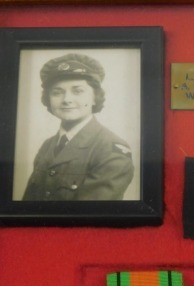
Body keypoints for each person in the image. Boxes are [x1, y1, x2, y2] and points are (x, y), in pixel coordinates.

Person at [22, 53, 134, 201]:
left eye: (78, 91)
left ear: (95, 97)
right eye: (57, 93)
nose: (67, 99)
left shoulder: (111, 149)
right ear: (48, 100)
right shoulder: (48, 145)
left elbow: (89, 217)